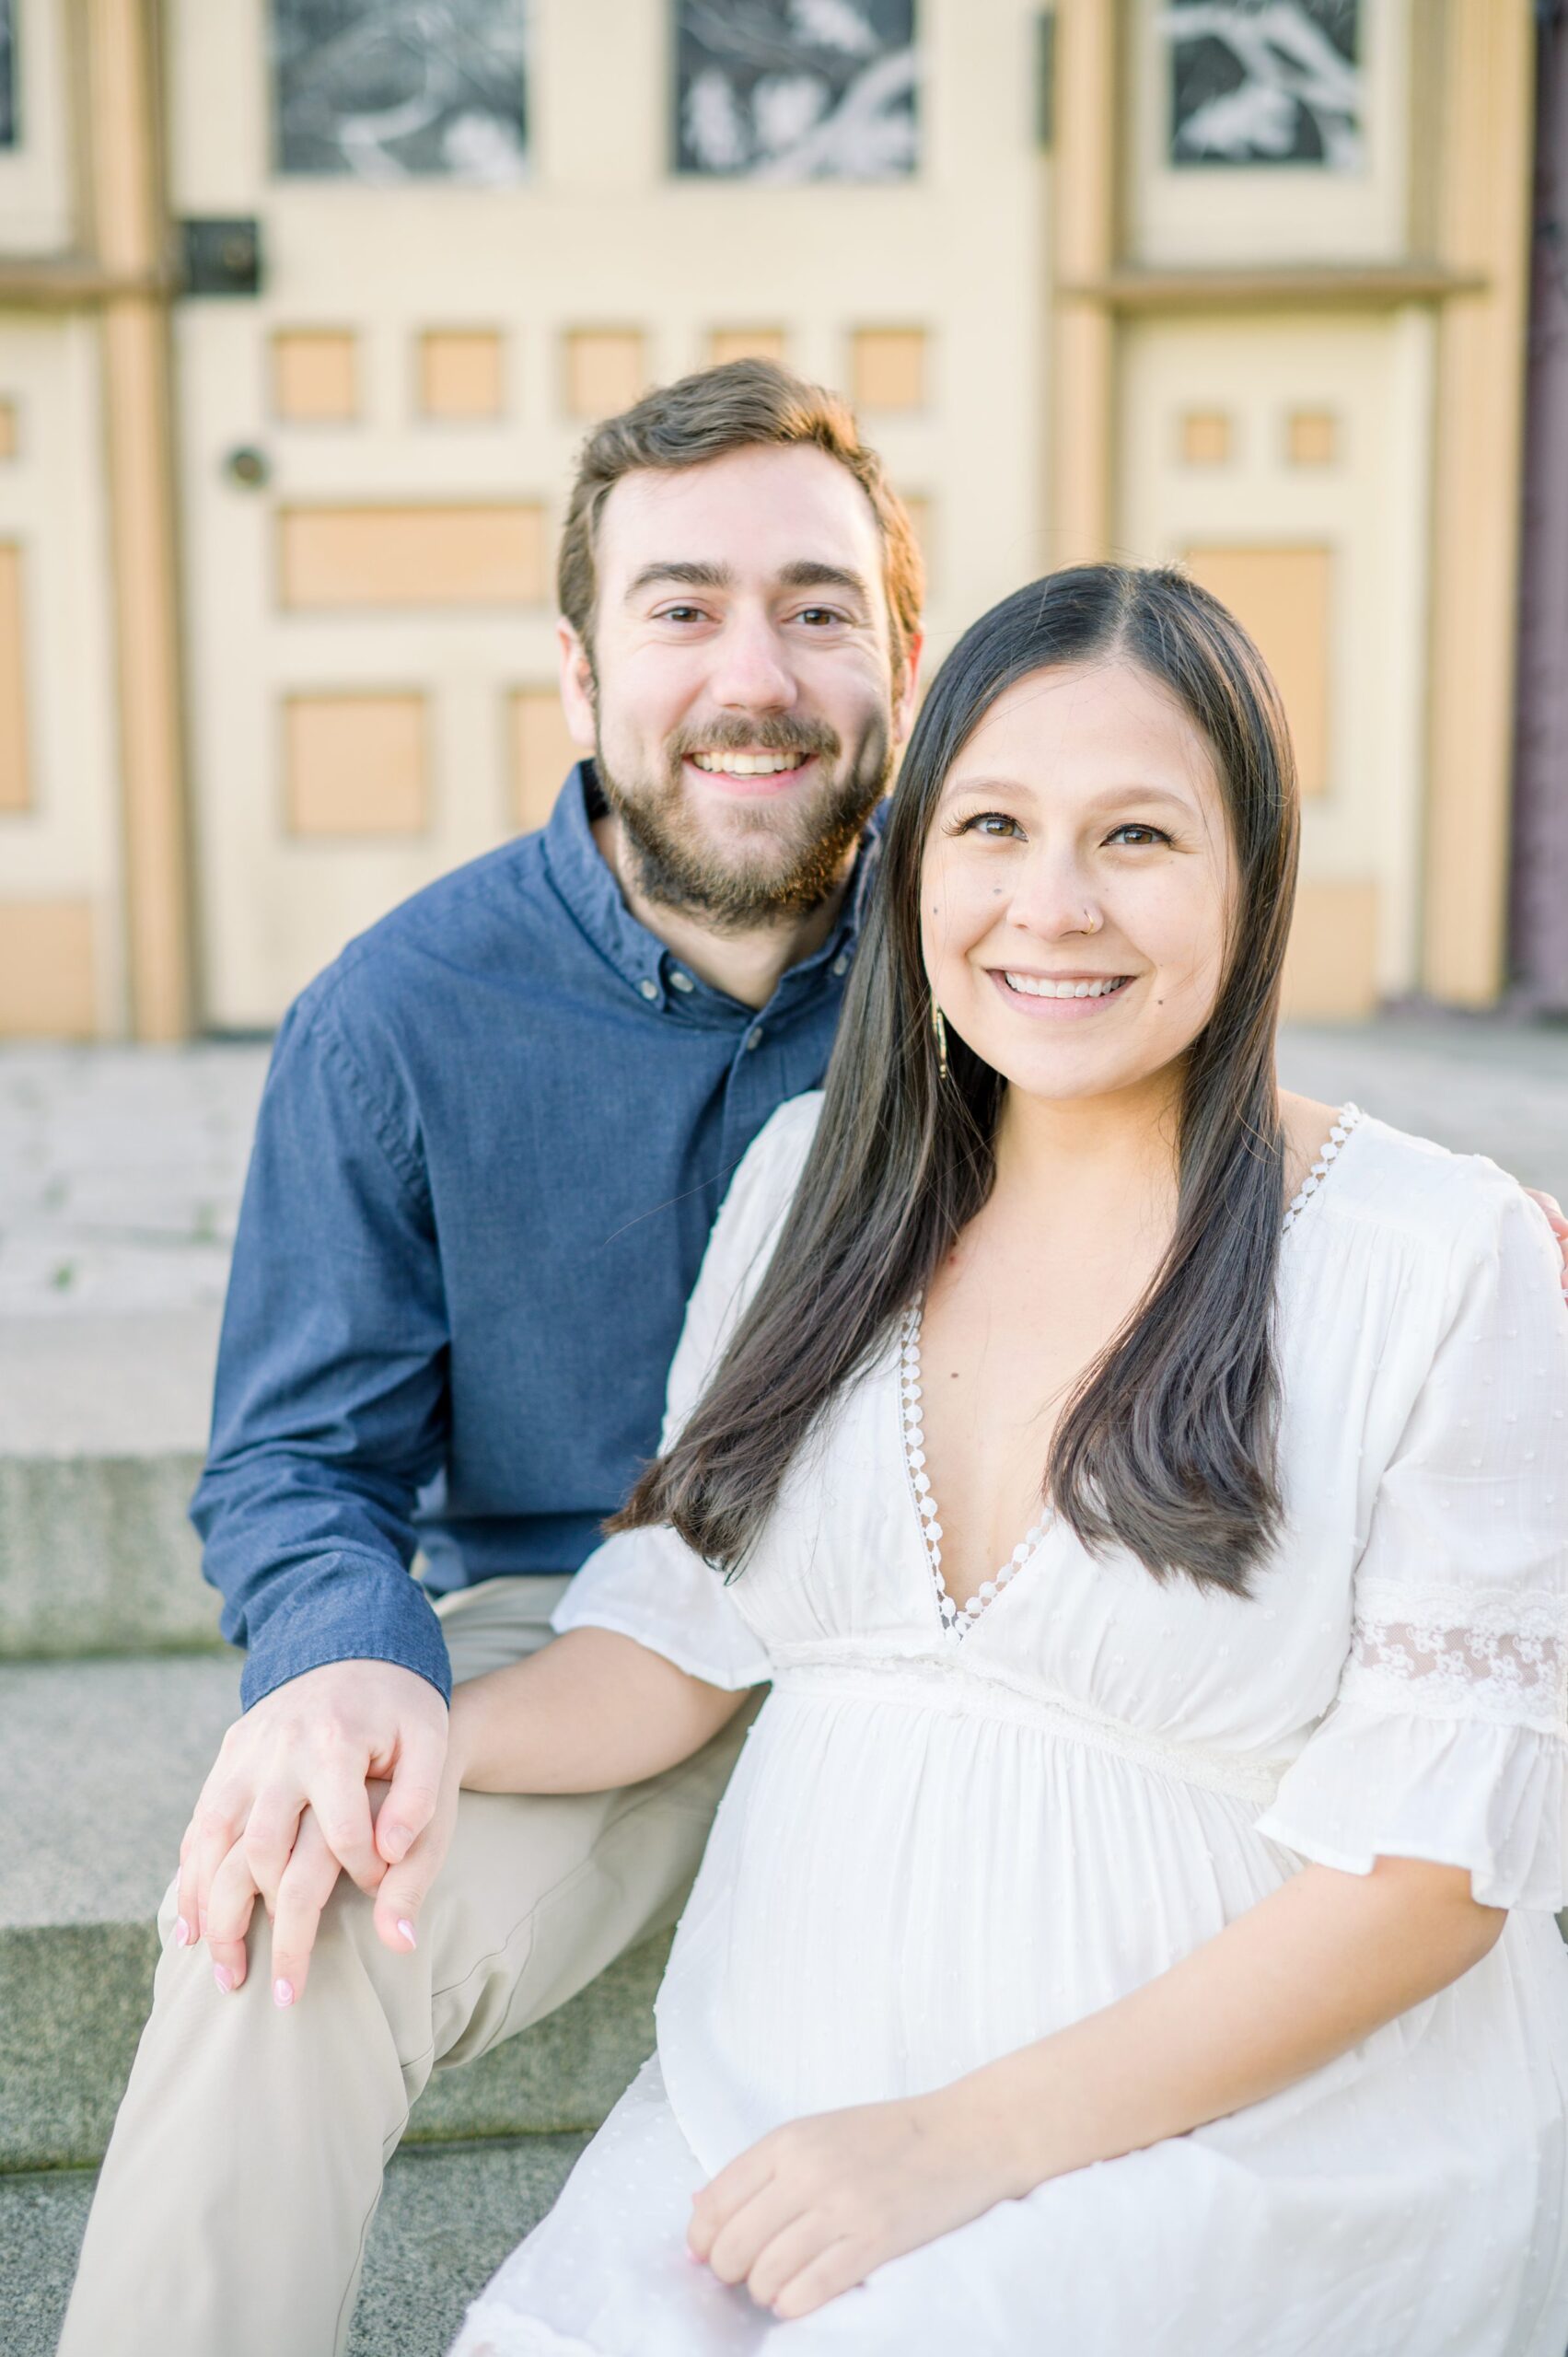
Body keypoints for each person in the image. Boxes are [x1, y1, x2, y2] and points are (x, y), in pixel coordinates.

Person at [58, 370, 1564, 2357]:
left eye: (816, 607)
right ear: (581, 671)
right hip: (687, 1789)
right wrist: (352, 1694)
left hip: (1157, 2002)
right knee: (291, 1897)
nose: (1053, 900)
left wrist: (1450, 1246)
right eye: (682, 606)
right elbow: (451, 1533)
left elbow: (1429, 1850)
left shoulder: (1325, 1186)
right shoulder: (483, 1050)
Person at [439, 563, 1568, 2354]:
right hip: (781, 2109)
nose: (1051, 906)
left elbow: (1434, 1880)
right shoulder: (813, 1180)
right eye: (993, 824)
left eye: (1136, 836)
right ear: (913, 864)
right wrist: (384, 1730)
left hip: (1246, 2141)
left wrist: (952, 2147)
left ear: (1255, 875)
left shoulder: (1437, 1252)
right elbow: (669, 1633)